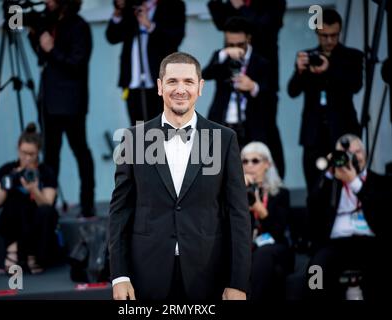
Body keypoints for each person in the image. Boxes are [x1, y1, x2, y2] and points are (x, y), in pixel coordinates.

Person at [108, 52, 251, 301]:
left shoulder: (224, 139)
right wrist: (120, 276)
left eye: (188, 82)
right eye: (172, 81)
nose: (180, 89)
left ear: (200, 87)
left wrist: (238, 282)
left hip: (208, 275)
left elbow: (238, 214)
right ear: (160, 86)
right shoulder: (133, 139)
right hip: (146, 276)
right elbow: (120, 211)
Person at [28, 0, 95, 217]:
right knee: (50, 156)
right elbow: (13, 23)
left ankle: (87, 204)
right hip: (48, 101)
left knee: (80, 151)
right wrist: (13, 9)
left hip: (71, 103)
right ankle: (49, 203)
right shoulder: (46, 21)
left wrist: (52, 49)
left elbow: (76, 63)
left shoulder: (78, 26)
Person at [207, 0, 286, 178]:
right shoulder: (222, 58)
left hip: (250, 126)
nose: (236, 49)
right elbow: (205, 74)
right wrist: (223, 54)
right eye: (231, 44)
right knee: (217, 174)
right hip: (225, 124)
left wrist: (253, 87)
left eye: (239, 45)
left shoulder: (261, 62)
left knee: (253, 172)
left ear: (248, 39)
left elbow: (270, 93)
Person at [287, 9, 364, 193]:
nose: (329, 41)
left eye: (333, 35)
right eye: (324, 36)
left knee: (346, 186)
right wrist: (300, 70)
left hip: (343, 131)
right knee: (315, 188)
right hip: (313, 134)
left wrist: (329, 69)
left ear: (340, 32)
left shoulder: (352, 56)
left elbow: (355, 86)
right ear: (317, 33)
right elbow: (292, 91)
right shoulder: (308, 56)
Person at [307, 134, 390, 300]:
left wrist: (354, 182)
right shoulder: (331, 183)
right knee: (315, 271)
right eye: (345, 153)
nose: (352, 157)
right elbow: (313, 208)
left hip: (371, 242)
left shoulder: (380, 181)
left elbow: (384, 212)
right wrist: (329, 174)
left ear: (365, 154)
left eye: (356, 152)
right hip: (335, 243)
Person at [0, 123, 59, 274]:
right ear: (18, 149)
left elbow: (48, 203)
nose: (27, 158)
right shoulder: (7, 169)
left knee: (45, 211)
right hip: (13, 221)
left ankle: (31, 254)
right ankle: (13, 249)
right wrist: (10, 181)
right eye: (23, 153)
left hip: (36, 222)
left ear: (38, 152)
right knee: (17, 200)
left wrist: (34, 190)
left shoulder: (46, 171)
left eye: (31, 154)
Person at [106, 0, 186, 125]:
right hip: (133, 80)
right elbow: (112, 37)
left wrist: (150, 26)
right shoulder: (131, 7)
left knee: (163, 126)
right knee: (138, 127)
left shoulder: (174, 5)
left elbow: (175, 38)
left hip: (160, 79)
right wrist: (118, 11)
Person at [241, 142, 294, 300]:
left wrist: (260, 209)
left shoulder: (281, 193)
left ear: (267, 164)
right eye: (245, 161)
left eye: (255, 161)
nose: (249, 165)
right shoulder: (234, 192)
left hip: (275, 249)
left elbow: (278, 232)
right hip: (246, 248)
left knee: (263, 254)